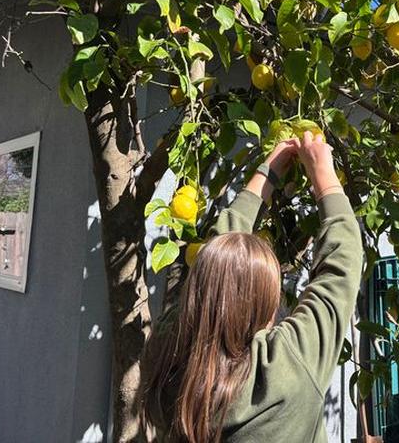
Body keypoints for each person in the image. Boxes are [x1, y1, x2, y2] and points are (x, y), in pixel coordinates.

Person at [141, 131, 363, 443]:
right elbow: (342, 265)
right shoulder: (285, 365)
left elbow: (215, 266)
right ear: (266, 305)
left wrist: (267, 172)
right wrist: (323, 172)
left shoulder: (168, 355)